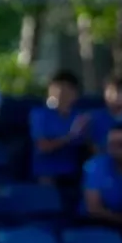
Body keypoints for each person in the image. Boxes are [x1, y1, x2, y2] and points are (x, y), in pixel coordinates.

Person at [29, 71, 92, 205]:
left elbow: (88, 146)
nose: (61, 94)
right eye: (57, 89)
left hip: (74, 173)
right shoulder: (40, 115)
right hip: (47, 174)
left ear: (75, 94)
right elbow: (43, 146)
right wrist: (69, 137)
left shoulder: (80, 117)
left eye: (67, 90)